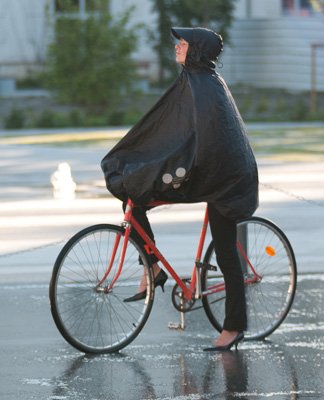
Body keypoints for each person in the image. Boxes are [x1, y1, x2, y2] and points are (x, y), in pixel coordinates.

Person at [101, 27, 259, 351]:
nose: (178, 46)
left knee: (226, 250)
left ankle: (234, 328)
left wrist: (166, 169)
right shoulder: (192, 81)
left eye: (184, 43)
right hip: (204, 170)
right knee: (134, 196)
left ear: (197, 51)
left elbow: (204, 142)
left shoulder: (205, 87)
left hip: (224, 179)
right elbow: (170, 132)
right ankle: (153, 269)